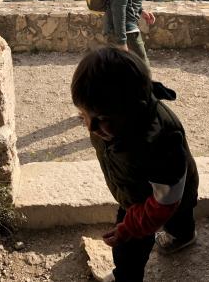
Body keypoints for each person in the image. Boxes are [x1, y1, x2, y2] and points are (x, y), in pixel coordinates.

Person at [71, 47, 199, 282]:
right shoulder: (115, 124)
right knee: (180, 218)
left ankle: (127, 276)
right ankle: (183, 235)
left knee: (129, 247)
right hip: (144, 189)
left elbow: (165, 201)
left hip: (152, 201)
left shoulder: (160, 141)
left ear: (134, 108)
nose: (90, 127)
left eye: (102, 120)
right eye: (83, 116)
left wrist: (130, 227)